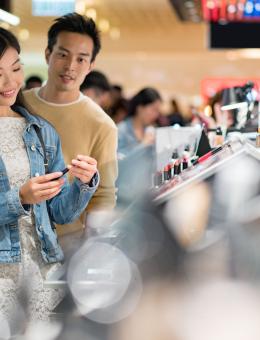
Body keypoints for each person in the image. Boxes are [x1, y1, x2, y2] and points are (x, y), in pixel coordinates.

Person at [0, 28, 99, 322]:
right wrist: (20, 198)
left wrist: (83, 183)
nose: (10, 82)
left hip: (40, 271)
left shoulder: (40, 131)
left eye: (16, 68)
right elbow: (24, 199)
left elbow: (58, 212)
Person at [23, 13, 118, 236]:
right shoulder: (18, 104)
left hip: (65, 248)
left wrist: (90, 250)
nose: (70, 66)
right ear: (48, 54)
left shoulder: (102, 125)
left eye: (81, 59)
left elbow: (103, 196)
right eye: (63, 55)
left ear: (91, 65)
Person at [117, 87, 162, 158]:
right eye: (154, 109)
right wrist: (143, 145)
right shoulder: (121, 130)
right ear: (140, 108)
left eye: (158, 111)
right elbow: (118, 163)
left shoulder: (149, 130)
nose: (156, 115)